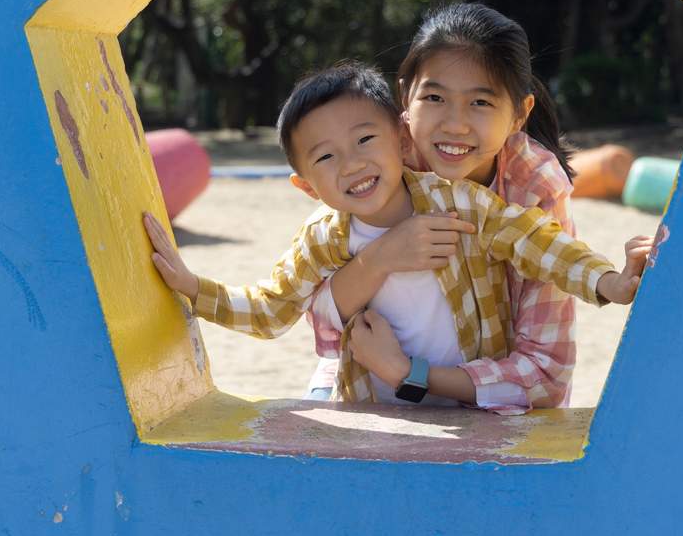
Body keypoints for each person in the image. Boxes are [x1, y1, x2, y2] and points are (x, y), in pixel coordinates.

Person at [144, 60, 653, 406]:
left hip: (466, 408)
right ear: (307, 185)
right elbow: (271, 309)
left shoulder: (457, 202)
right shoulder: (322, 239)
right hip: (371, 410)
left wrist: (609, 282)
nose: (354, 163)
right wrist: (192, 287)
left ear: (399, 135)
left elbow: (538, 244)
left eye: (366, 139)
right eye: (326, 157)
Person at [306, 3, 648, 412]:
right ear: (405, 95)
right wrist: (379, 258)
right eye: (434, 97)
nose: (454, 124)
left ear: (520, 113)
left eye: (481, 103)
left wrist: (409, 374)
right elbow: (315, 311)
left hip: (472, 400)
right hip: (363, 384)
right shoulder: (375, 156)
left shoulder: (532, 188)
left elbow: (546, 376)